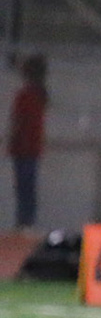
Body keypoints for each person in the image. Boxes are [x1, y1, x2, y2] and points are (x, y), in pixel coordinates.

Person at [8, 53, 46, 228]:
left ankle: (23, 223)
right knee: (28, 189)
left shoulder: (24, 96)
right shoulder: (40, 96)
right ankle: (27, 222)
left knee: (23, 189)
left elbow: (18, 121)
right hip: (32, 148)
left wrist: (12, 140)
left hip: (22, 148)